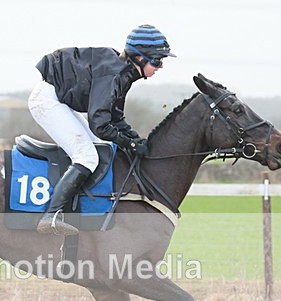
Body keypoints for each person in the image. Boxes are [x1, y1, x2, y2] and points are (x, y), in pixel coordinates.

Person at [29, 24, 175, 235]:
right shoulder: (114, 74)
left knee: (101, 148)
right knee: (87, 156)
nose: (160, 66)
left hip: (59, 99)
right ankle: (50, 216)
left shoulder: (124, 73)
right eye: (157, 61)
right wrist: (130, 143)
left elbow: (115, 117)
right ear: (139, 58)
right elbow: (100, 124)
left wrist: (136, 140)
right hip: (47, 101)